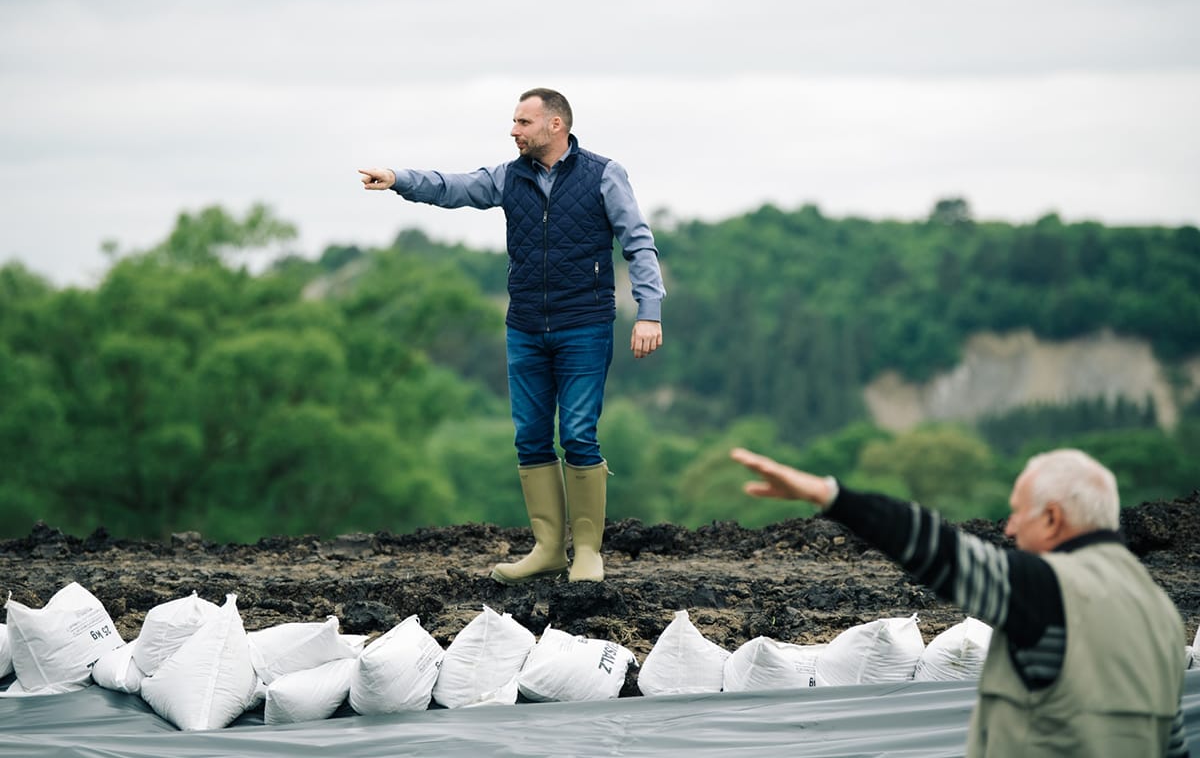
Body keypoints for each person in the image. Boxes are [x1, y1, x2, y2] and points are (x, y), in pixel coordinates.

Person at [359, 88, 664, 585]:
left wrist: (648, 312)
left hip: (584, 324)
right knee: (530, 438)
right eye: (514, 122)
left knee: (580, 435)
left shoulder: (603, 174)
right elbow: (451, 187)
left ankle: (586, 552)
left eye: (523, 122)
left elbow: (638, 242)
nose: (514, 131)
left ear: (555, 126)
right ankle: (547, 548)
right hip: (524, 327)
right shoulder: (509, 176)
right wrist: (398, 180)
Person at [729, 446, 1190, 757]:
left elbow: (940, 549)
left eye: (1017, 512)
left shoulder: (1049, 589)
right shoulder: (1161, 615)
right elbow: (1171, 745)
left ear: (1052, 518)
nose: (1008, 529)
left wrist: (829, 496)